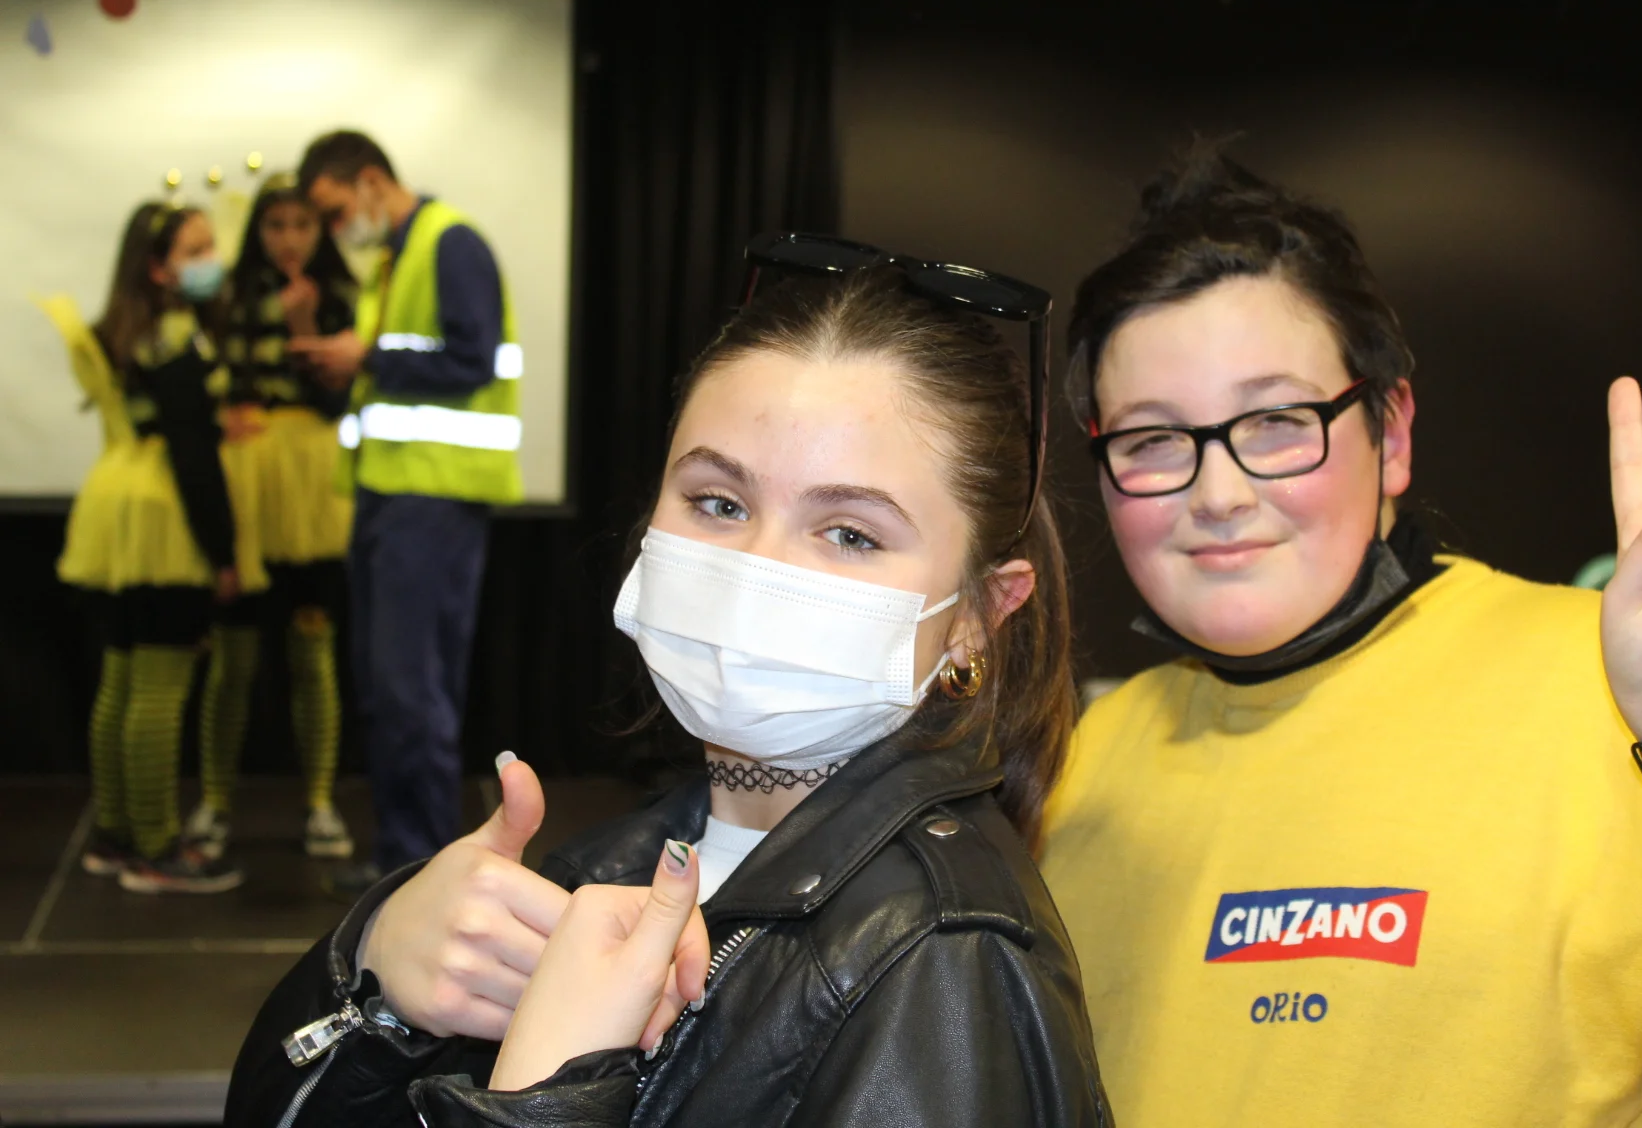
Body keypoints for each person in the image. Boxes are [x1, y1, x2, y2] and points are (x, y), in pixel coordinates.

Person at [1039, 151, 1642, 1125]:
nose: (1217, 492)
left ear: (1392, 433)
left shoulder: (1621, 709)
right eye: (1153, 439)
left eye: (1278, 421)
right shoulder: (1078, 770)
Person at [227, 246, 1108, 1125]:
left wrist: (547, 1097)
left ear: (978, 613)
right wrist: (374, 977)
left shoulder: (943, 962)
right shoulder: (614, 866)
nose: (756, 570)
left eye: (849, 533)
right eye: (720, 503)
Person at [288, 131, 523, 891]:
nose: (333, 229)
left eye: (333, 210)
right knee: (386, 689)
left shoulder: (450, 242)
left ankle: (423, 870)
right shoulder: (393, 258)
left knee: (411, 691)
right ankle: (402, 859)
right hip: (388, 495)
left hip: (434, 499)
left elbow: (473, 358)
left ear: (368, 180)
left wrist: (365, 357)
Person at [42, 201, 266, 894]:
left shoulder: (123, 329)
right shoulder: (177, 337)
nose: (211, 260)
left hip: (115, 508)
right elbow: (193, 456)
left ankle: (115, 834)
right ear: (158, 267)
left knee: (120, 678)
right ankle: (157, 846)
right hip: (166, 518)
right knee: (161, 690)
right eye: (195, 250)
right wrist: (223, 553)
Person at [184, 173, 358, 864]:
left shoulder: (338, 294)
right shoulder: (225, 296)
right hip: (247, 483)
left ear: (320, 232)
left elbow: (336, 400)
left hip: (312, 491)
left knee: (313, 652)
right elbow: (202, 382)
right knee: (232, 658)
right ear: (258, 230)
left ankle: (319, 801)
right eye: (276, 225)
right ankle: (214, 801)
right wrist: (219, 418)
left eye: (302, 226)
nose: (289, 239)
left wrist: (305, 324)